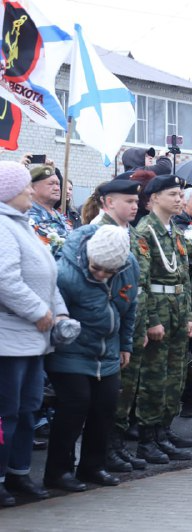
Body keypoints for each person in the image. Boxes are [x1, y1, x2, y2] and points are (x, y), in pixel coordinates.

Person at [44, 225, 138, 491]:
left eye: (109, 272)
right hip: (71, 350)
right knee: (75, 406)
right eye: (96, 268)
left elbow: (130, 308)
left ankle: (93, 466)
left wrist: (125, 345)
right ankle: (58, 472)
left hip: (108, 349)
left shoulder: (129, 265)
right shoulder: (66, 273)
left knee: (105, 407)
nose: (101, 275)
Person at [0, 161, 66, 506]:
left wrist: (60, 311)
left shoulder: (22, 226)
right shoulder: (3, 227)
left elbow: (47, 275)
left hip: (32, 340)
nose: (31, 190)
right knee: (5, 413)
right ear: (9, 191)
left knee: (27, 410)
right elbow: (5, 280)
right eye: (25, 186)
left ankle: (19, 473)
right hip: (8, 339)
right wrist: (39, 311)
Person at [135, 175, 192, 463]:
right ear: (154, 197)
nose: (179, 199)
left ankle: (163, 430)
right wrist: (151, 319)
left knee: (175, 374)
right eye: (172, 193)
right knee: (154, 376)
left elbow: (185, 276)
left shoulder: (173, 231)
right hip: (159, 307)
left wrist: (190, 315)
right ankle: (147, 438)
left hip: (178, 307)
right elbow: (142, 281)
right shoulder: (146, 231)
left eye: (180, 194)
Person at [92, 179, 152, 473]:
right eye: (128, 201)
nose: (134, 206)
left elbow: (141, 281)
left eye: (136, 201)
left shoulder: (130, 233)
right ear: (108, 202)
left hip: (131, 319)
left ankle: (116, 446)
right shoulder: (98, 231)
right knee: (110, 393)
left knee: (127, 389)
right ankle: (104, 450)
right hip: (108, 322)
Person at [27, 165, 71, 257]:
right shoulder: (27, 216)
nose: (57, 188)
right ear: (33, 187)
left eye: (58, 184)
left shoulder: (60, 215)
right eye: (51, 184)